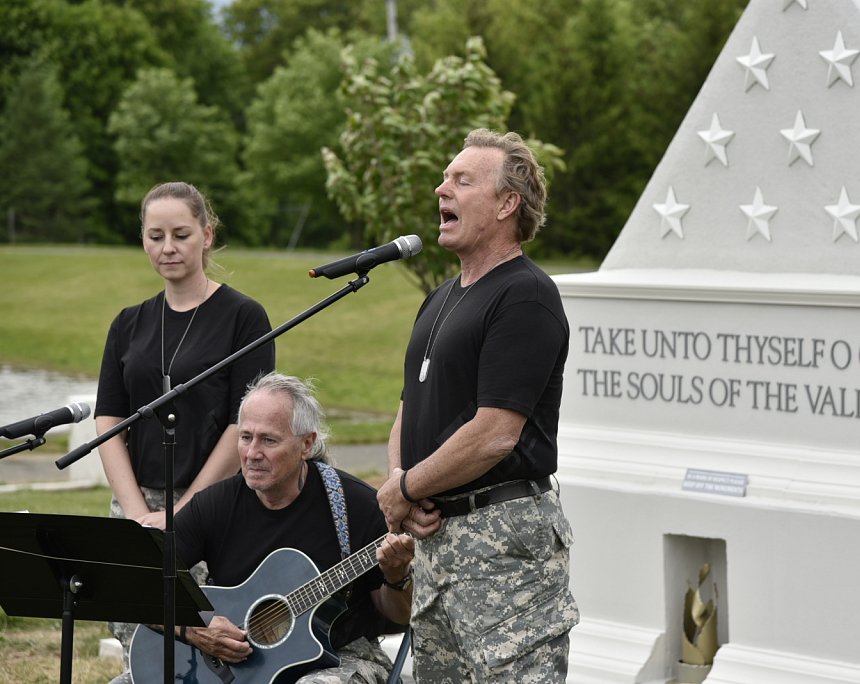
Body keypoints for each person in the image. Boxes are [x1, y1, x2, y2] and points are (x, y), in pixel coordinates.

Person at [376, 129, 580, 683]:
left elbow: (495, 433)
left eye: (462, 180)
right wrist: (402, 480)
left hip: (503, 551)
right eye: (445, 178)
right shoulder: (440, 298)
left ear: (507, 203)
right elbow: (407, 409)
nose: (441, 188)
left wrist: (408, 488)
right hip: (437, 548)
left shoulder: (526, 295)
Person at [111, 372, 415, 684]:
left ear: (307, 443)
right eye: (245, 437)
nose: (253, 453)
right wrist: (195, 630)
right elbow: (139, 586)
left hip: (340, 657)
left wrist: (396, 577)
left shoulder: (357, 506)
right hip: (230, 667)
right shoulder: (216, 504)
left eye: (269, 440)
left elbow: (400, 616)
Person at [94, 181, 275, 656]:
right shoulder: (128, 323)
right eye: (155, 236)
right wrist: (136, 515)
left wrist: (187, 510)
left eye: (181, 234)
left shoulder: (244, 317)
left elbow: (245, 423)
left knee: (210, 632)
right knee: (140, 634)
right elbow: (108, 420)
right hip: (138, 503)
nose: (168, 248)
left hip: (212, 502)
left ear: (207, 235)